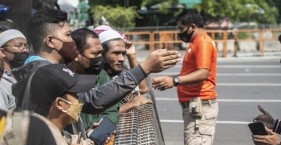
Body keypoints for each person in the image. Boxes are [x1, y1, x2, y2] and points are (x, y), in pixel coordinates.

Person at [12, 9, 180, 115]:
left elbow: (78, 107)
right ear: (50, 41)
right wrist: (143, 69)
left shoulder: (47, 71)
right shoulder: (46, 74)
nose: (73, 41)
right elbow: (92, 101)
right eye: (68, 35)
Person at [152, 9, 218, 145]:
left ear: (192, 27)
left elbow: (203, 73)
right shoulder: (197, 42)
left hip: (200, 107)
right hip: (196, 106)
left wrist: (173, 81)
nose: (179, 32)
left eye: (181, 28)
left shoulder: (202, 42)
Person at [13, 63, 101, 145]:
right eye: (75, 95)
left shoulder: (50, 130)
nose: (80, 101)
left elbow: (85, 144)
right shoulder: (44, 140)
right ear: (60, 103)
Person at [0, 29, 28, 111]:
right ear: (3, 52)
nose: (24, 50)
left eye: (26, 46)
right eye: (18, 46)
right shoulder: (2, 83)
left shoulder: (19, 77)